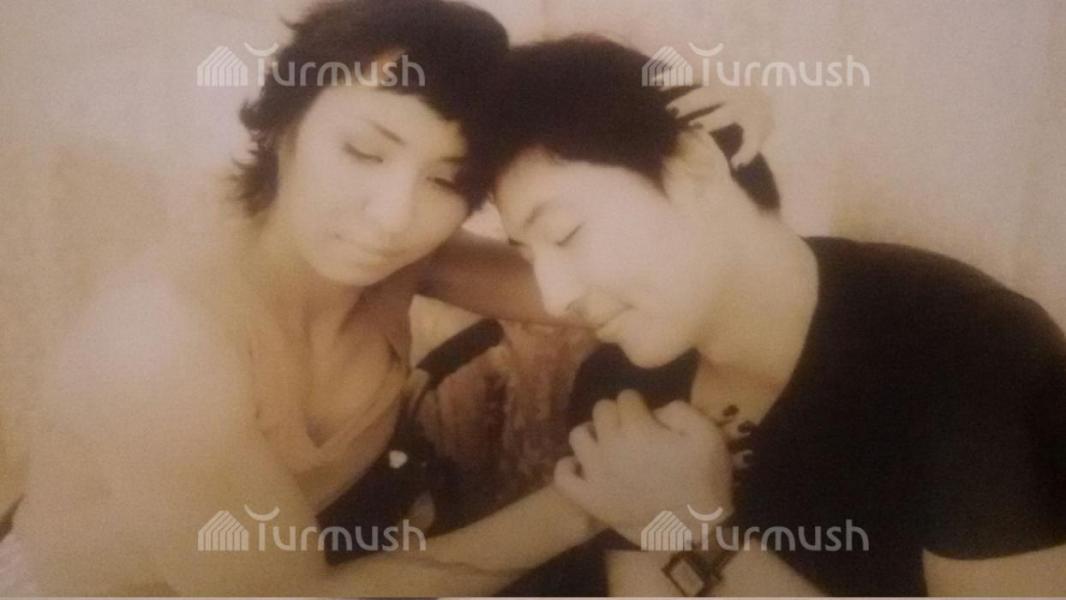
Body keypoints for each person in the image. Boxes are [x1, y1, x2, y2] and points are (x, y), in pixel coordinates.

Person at [8, 1, 773, 596]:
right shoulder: (160, 346)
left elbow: (606, 287)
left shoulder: (390, 259)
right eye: (364, 151)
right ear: (286, 124)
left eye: (446, 180)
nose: (392, 217)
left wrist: (708, 152)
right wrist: (592, 500)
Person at [471, 36, 1066, 596]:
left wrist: (701, 535)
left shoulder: (977, 359)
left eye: (565, 233)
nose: (554, 298)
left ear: (693, 163)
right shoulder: (622, 382)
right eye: (528, 256)